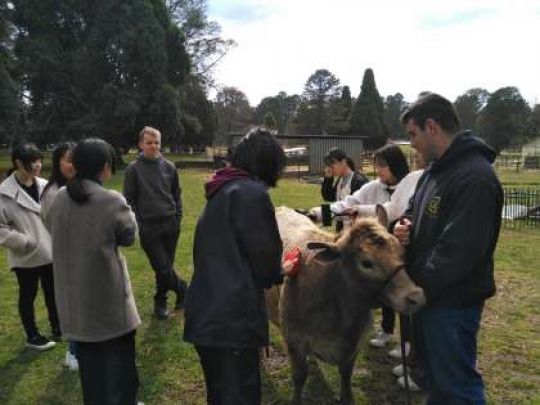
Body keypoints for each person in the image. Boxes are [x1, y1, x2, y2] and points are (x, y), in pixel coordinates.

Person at [394, 93, 503, 403]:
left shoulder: (475, 177)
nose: (411, 143)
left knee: (456, 386)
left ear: (432, 126)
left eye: (413, 134)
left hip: (452, 303)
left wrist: (416, 287)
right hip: (430, 298)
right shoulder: (434, 171)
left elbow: (459, 251)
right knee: (436, 381)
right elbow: (413, 210)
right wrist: (404, 225)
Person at [184, 128, 285, 405]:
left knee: (220, 394)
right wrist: (281, 269)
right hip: (232, 320)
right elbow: (265, 262)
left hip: (207, 312)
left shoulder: (221, 188)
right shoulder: (252, 193)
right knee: (239, 395)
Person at [45, 138, 141, 405]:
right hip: (108, 306)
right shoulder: (110, 200)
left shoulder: (59, 197)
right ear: (105, 166)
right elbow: (129, 236)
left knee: (93, 379)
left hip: (75, 305)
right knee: (121, 375)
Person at [0, 143, 60, 351]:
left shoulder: (45, 185)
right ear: (18, 163)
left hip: (51, 250)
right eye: (32, 161)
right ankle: (32, 335)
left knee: (53, 291)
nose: (37, 165)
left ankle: (58, 327)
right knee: (28, 294)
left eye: (38, 160)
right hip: (26, 255)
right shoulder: (4, 193)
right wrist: (24, 241)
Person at [123, 126, 186, 320]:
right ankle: (184, 289)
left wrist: (178, 216)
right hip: (149, 226)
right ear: (141, 144)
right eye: (149, 142)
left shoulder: (169, 167)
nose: (153, 146)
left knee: (165, 267)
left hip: (170, 223)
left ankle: (161, 302)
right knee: (162, 267)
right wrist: (139, 224)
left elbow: (176, 194)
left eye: (156, 142)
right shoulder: (133, 169)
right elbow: (129, 199)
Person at [41, 142, 79, 370]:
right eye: (68, 160)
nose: (72, 165)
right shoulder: (54, 193)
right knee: (74, 306)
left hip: (78, 257)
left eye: (76, 159)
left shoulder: (76, 187)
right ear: (58, 162)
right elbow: (55, 228)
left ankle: (77, 349)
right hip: (67, 258)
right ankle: (73, 352)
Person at [320, 148, 368, 231]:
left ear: (343, 162)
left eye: (332, 164)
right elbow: (328, 197)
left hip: (356, 231)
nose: (330, 168)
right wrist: (328, 178)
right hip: (343, 230)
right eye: (328, 165)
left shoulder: (358, 181)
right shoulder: (340, 180)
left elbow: (359, 209)